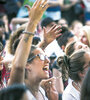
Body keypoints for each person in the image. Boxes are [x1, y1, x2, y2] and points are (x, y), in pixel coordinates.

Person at [8, 0, 59, 100]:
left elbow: (33, 54)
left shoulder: (43, 90)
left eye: (46, 57)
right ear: (27, 65)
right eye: (42, 57)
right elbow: (18, 66)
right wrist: (33, 22)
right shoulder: (18, 88)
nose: (48, 60)